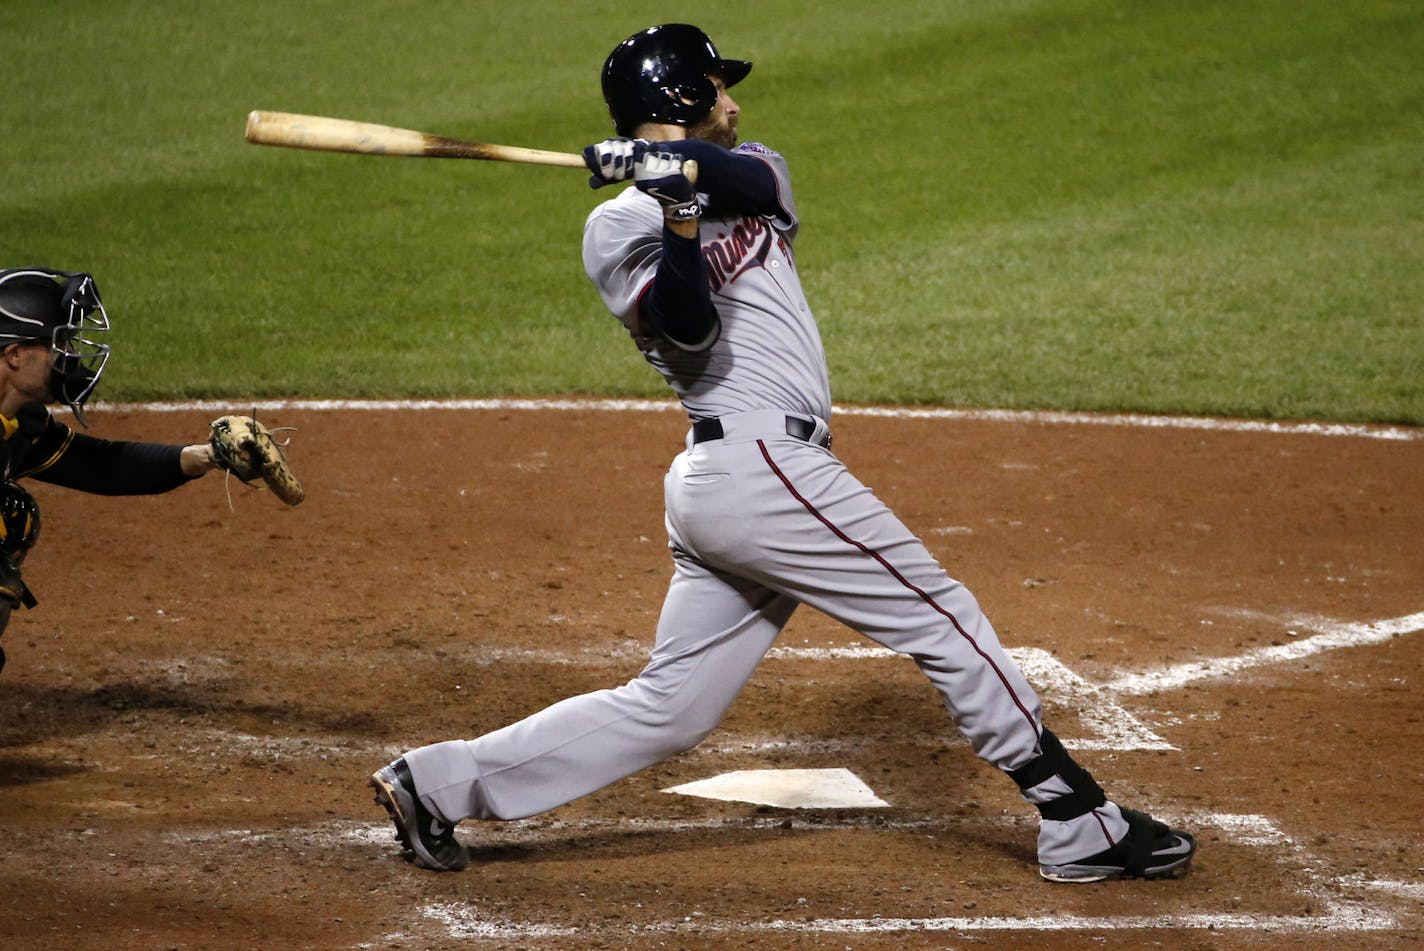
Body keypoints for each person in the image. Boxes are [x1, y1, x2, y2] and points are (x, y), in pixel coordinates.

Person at [371, 23, 1197, 884]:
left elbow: (740, 174)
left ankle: (436, 783)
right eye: (717, 88)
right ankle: (1077, 817)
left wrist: (682, 175)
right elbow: (689, 327)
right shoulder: (614, 231)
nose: (734, 102)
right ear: (684, 99)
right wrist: (676, 213)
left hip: (742, 482)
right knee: (943, 617)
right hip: (757, 469)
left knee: (672, 708)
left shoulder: (758, 169)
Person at [0, 266, 222, 673]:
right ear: (15, 355)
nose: (70, 356)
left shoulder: (17, 425)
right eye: (58, 343)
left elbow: (103, 467)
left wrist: (203, 456)